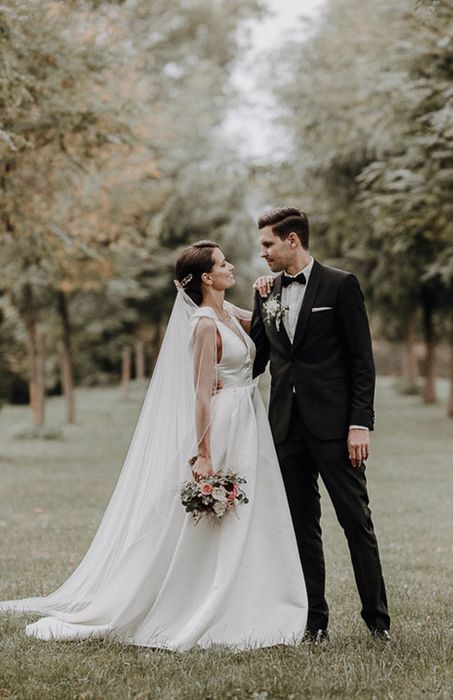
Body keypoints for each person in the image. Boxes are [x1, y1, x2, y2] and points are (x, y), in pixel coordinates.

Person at [0, 241, 307, 651]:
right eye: (222, 263)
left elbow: (269, 324)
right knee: (213, 517)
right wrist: (204, 453)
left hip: (247, 420)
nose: (230, 266)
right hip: (223, 424)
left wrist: (272, 289)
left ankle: (250, 594)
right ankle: (198, 601)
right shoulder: (202, 323)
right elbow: (200, 394)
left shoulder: (228, 313)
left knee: (249, 511)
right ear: (206, 278)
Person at [251, 207, 391, 642]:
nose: (263, 254)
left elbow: (361, 362)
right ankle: (314, 622)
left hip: (335, 429)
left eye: (268, 245)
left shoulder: (341, 284)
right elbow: (256, 356)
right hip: (286, 430)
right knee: (300, 529)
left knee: (356, 522)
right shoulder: (266, 292)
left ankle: (377, 622)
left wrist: (359, 424)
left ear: (293, 240)